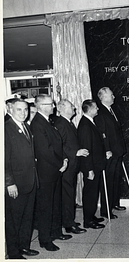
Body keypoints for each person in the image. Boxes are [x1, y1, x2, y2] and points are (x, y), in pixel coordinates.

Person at [30, 94, 72, 252]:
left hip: (55, 170)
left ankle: (55, 232)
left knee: (55, 203)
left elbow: (57, 145)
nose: (54, 107)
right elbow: (44, 151)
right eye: (50, 104)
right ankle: (45, 239)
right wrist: (60, 163)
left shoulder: (48, 121)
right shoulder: (37, 124)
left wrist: (65, 159)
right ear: (41, 106)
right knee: (46, 207)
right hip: (47, 173)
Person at [5, 98, 39, 259]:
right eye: (19, 109)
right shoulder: (6, 129)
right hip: (16, 183)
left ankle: (24, 246)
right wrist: (9, 183)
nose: (23, 113)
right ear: (10, 109)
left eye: (25, 109)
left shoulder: (26, 127)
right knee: (14, 220)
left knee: (27, 216)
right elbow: (4, 161)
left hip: (30, 181)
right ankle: (13, 252)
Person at [54, 99, 88, 234]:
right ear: (61, 109)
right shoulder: (60, 124)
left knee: (70, 194)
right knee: (67, 195)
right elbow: (59, 146)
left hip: (72, 165)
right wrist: (76, 152)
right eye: (70, 106)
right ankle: (69, 224)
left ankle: (68, 219)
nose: (74, 107)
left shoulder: (68, 123)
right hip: (66, 166)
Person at [95, 87, 127, 219]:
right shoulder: (100, 112)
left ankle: (114, 203)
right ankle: (105, 209)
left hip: (117, 151)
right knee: (108, 180)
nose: (114, 97)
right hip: (110, 153)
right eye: (111, 95)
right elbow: (102, 134)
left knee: (116, 178)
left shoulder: (111, 110)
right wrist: (107, 150)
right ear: (103, 97)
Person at [77, 99, 107, 229]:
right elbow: (86, 149)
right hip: (91, 167)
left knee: (94, 193)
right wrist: (89, 169)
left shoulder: (90, 122)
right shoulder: (85, 125)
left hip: (96, 165)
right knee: (90, 193)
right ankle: (88, 221)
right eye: (95, 107)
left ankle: (91, 216)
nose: (98, 109)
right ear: (89, 109)